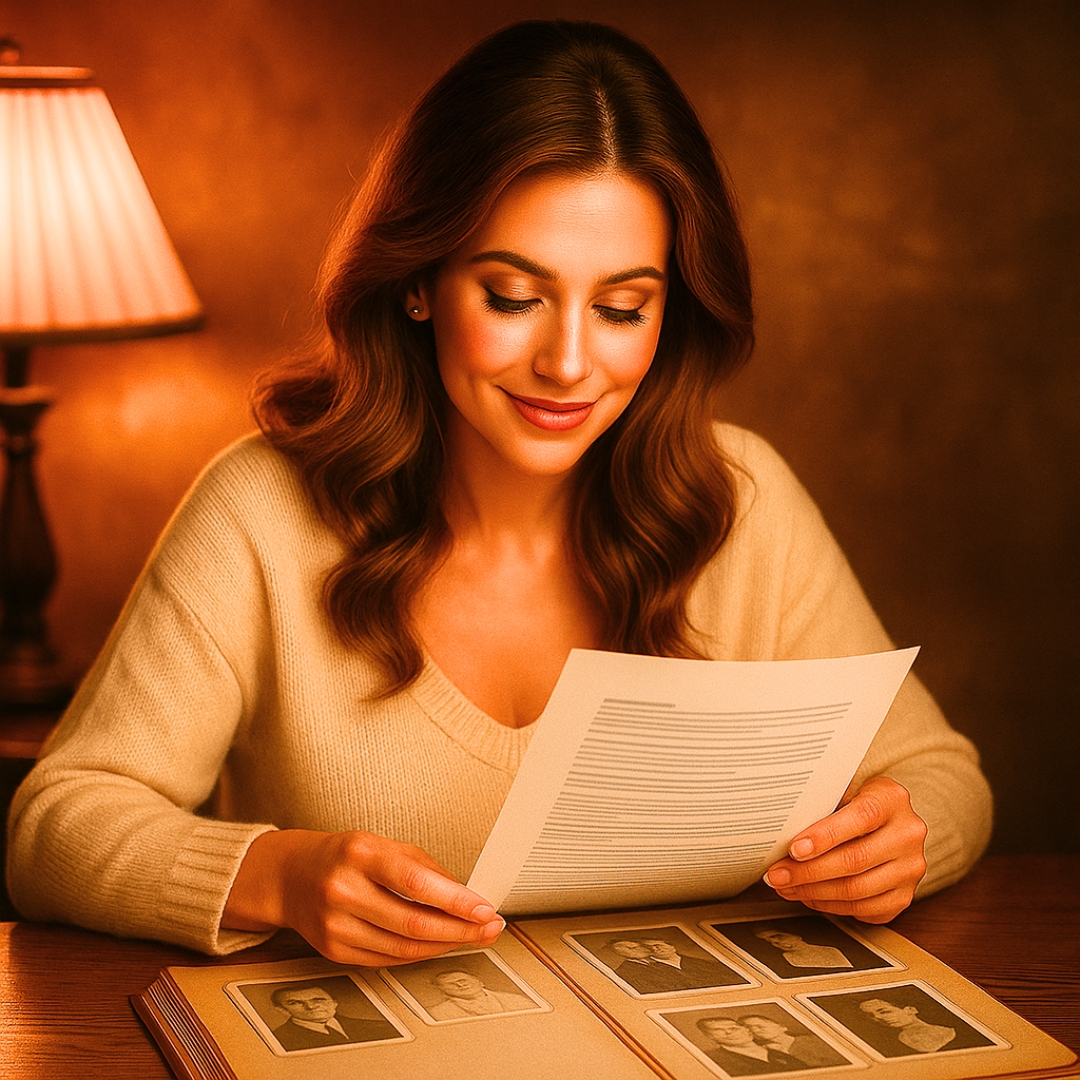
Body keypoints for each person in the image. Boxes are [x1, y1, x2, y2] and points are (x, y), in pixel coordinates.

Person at [5, 19, 991, 966]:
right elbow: (55, 827)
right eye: (513, 297)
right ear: (419, 277)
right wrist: (279, 874)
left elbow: (943, 777)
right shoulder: (261, 510)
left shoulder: (743, 500)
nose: (568, 362)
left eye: (621, 307)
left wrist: (900, 840)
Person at [269, 983, 400, 1050]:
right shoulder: (279, 1039)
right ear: (282, 1010)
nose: (311, 1006)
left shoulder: (380, 1027)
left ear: (334, 1002)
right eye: (295, 1003)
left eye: (318, 1000)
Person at [608, 936, 745, 993]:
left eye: (657, 945)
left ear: (672, 946)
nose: (656, 949)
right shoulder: (626, 971)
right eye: (625, 949)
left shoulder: (703, 963)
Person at [695, 1017, 804, 1075]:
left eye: (734, 1028)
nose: (728, 1032)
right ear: (710, 1036)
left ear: (747, 1030)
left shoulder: (778, 1050)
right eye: (718, 1030)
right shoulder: (712, 1059)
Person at [738, 1013, 849, 1068]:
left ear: (782, 1026)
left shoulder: (814, 1041)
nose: (755, 1030)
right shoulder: (762, 1052)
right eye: (749, 1028)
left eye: (759, 1025)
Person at [857, 997, 958, 1054]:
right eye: (872, 1017)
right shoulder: (895, 1044)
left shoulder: (948, 1031)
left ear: (910, 1010)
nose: (879, 1018)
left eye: (885, 1012)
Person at [426, 968, 535, 1019]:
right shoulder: (440, 1012)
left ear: (479, 981)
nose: (460, 985)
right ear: (442, 990)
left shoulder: (516, 1000)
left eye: (463, 980)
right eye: (451, 984)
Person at [753, 926, 854, 969]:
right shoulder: (788, 958)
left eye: (778, 936)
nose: (775, 942)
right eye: (769, 941)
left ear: (796, 936)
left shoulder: (831, 950)